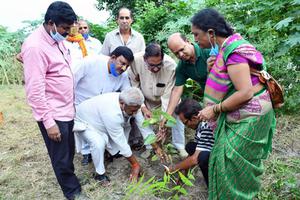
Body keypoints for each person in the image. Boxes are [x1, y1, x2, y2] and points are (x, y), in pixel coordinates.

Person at [191, 8, 276, 199]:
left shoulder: (233, 52)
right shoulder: (225, 50)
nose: (195, 40)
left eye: (196, 34)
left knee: (232, 164)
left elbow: (245, 92)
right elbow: (227, 83)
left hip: (250, 117)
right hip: (242, 114)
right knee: (228, 163)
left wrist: (215, 109)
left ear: (211, 33)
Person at [20, 2, 83, 199]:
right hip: (53, 113)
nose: (67, 33)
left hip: (66, 109)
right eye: (64, 28)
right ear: (51, 23)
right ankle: (72, 192)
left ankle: (71, 181)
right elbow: (35, 90)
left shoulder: (57, 39)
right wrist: (49, 123)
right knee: (61, 157)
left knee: (68, 150)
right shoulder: (35, 46)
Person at [74, 88, 166, 185]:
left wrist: (156, 148)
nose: (135, 113)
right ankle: (99, 174)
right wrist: (135, 165)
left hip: (100, 118)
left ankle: (111, 153)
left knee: (122, 134)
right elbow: (120, 141)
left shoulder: (133, 104)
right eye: (133, 111)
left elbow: (143, 126)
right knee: (98, 143)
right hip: (85, 121)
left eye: (137, 110)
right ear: (122, 104)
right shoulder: (111, 113)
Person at [74, 46, 134, 165]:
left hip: (101, 110)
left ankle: (111, 150)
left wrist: (141, 106)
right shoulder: (90, 62)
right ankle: (87, 153)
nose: (123, 68)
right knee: (88, 133)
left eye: (127, 66)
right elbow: (71, 81)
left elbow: (129, 94)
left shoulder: (122, 75)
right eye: (122, 63)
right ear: (112, 57)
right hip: (81, 107)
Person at [128, 42, 187, 158]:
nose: (155, 68)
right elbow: (134, 86)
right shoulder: (135, 61)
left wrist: (163, 122)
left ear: (163, 59)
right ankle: (151, 146)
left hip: (166, 99)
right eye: (151, 65)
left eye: (159, 65)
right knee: (139, 116)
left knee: (177, 112)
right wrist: (143, 107)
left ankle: (179, 146)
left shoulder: (171, 66)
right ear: (145, 59)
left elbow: (168, 96)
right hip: (144, 99)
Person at [157, 33, 210, 142]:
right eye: (176, 53)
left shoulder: (206, 50)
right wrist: (167, 116)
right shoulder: (182, 66)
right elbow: (177, 91)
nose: (180, 55)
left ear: (188, 41)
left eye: (182, 49)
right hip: (210, 98)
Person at [166, 99, 214, 186]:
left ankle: (212, 187)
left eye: (185, 123)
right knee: (191, 147)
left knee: (203, 157)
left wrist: (173, 168)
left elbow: (194, 159)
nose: (186, 126)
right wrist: (183, 173)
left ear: (194, 118)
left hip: (222, 158)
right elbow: (192, 154)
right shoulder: (200, 125)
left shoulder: (207, 125)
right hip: (212, 151)